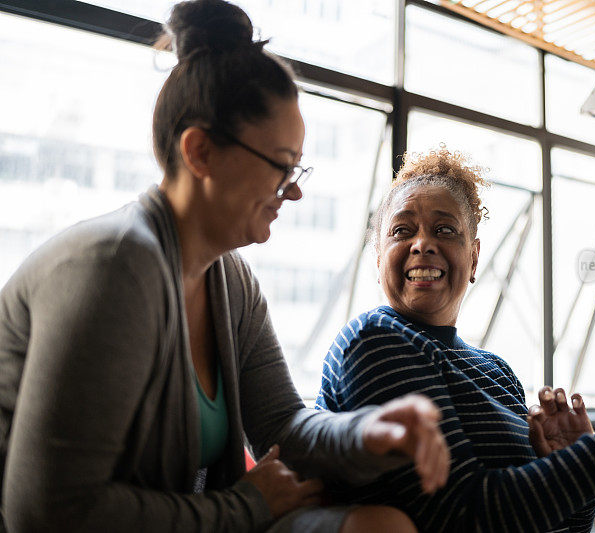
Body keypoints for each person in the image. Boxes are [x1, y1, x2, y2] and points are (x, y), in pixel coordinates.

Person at [0, 2, 451, 532]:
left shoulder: (229, 278)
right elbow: (48, 513)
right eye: (281, 167)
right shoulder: (115, 270)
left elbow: (282, 424)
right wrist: (246, 506)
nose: (295, 190)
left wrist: (369, 432)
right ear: (201, 152)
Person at [316, 146, 595, 532]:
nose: (422, 243)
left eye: (445, 230)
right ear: (378, 255)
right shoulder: (373, 341)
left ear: (473, 258)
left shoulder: (496, 371)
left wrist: (571, 464)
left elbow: (562, 527)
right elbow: (463, 516)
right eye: (402, 230)